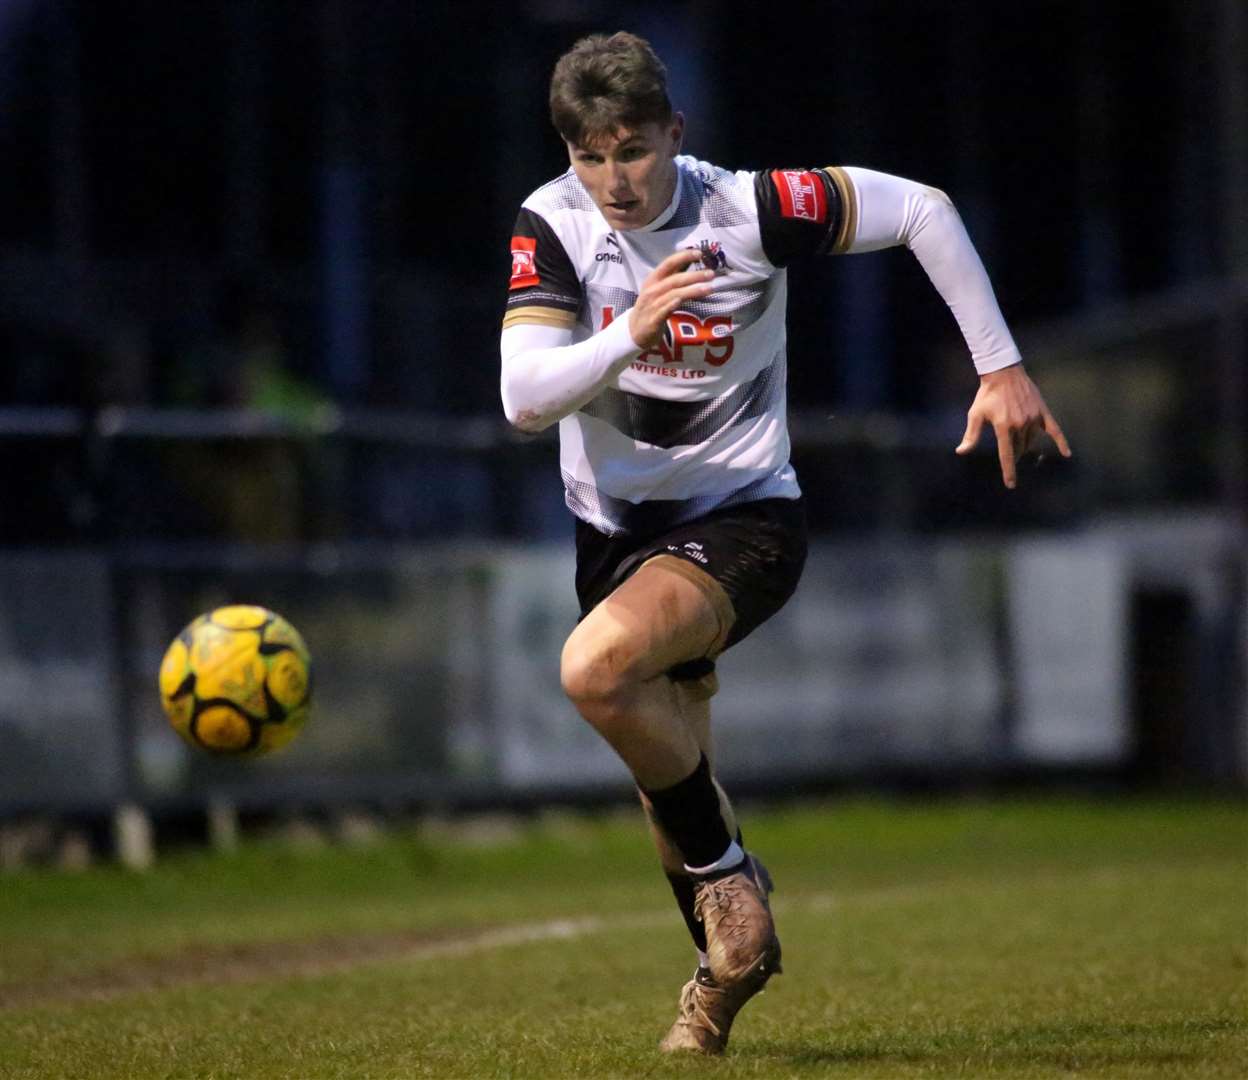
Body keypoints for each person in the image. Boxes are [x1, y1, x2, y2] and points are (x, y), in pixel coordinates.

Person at [498, 31, 1070, 1055]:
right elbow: (523, 399)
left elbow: (924, 211)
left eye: (632, 148)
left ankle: (730, 889)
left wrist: (999, 365)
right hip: (614, 536)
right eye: (590, 154)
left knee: (595, 672)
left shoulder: (749, 209)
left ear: (676, 131)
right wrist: (630, 331)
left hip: (745, 518)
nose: (613, 179)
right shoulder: (551, 224)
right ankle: (718, 986)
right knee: (671, 782)